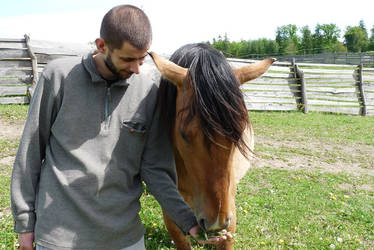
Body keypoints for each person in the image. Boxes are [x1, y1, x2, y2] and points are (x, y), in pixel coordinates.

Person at [10, 4, 230, 250]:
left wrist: (188, 222)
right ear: (101, 45)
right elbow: (30, 153)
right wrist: (25, 224)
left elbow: (156, 168)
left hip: (125, 239)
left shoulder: (148, 92)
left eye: (142, 59)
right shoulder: (58, 77)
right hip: (58, 238)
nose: (137, 68)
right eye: (127, 59)